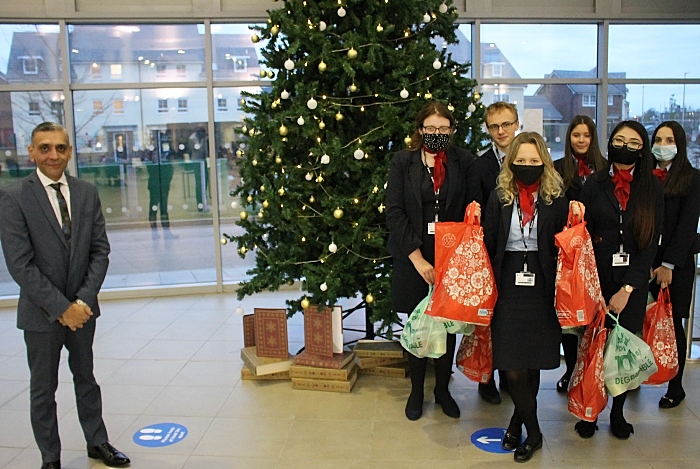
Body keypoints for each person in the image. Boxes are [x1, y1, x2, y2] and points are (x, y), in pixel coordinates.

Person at [0, 122, 130, 469]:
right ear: (32, 152)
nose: (53, 155)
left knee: (86, 378)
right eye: (44, 148)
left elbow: (100, 251)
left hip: (83, 311)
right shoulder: (14, 197)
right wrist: (62, 308)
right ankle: (51, 458)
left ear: (70, 151)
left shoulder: (86, 192)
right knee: (43, 389)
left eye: (60, 148)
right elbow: (20, 264)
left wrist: (82, 303)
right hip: (42, 315)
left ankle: (97, 441)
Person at [482, 131, 568, 462]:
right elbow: (490, 242)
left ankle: (519, 424)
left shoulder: (556, 198)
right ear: (511, 161)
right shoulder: (500, 196)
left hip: (542, 284)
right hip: (508, 281)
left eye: (534, 161)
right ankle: (535, 433)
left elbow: (562, 244)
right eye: (521, 160)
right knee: (510, 364)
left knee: (532, 364)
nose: (527, 166)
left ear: (544, 162)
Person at [576, 120, 664, 440]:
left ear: (642, 150)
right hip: (597, 279)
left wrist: (628, 288)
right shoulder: (594, 182)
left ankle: (617, 411)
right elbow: (583, 232)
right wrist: (593, 286)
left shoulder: (652, 187)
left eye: (633, 142)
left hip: (633, 284)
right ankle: (590, 412)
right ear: (610, 142)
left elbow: (651, 241)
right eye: (619, 140)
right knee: (595, 348)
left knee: (622, 351)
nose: (624, 146)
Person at [386, 102, 473, 421]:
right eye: (431, 128)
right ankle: (417, 390)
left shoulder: (463, 161)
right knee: (416, 325)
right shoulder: (402, 161)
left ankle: (442, 390)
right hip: (412, 256)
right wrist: (418, 259)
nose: (437, 134)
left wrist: (459, 253)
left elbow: (471, 204)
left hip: (452, 257)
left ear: (451, 130)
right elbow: (394, 211)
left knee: (447, 325)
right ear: (420, 129)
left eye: (443, 129)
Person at [466, 100, 520, 404]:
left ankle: (508, 373)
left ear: (517, 124)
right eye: (495, 126)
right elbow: (476, 206)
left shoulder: (530, 157)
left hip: (521, 252)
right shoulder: (481, 165)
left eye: (506, 124)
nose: (501, 131)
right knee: (486, 318)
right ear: (488, 129)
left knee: (511, 317)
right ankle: (485, 378)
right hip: (489, 251)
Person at [552, 115, 607, 393]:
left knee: (596, 318)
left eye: (586, 135)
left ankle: (596, 372)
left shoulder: (605, 169)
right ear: (569, 138)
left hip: (599, 253)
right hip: (570, 254)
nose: (581, 140)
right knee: (571, 319)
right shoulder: (558, 168)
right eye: (576, 135)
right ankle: (571, 370)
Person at [649, 121, 700, 409]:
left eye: (669, 139)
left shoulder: (692, 179)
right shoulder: (647, 177)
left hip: (676, 264)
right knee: (645, 320)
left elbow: (687, 226)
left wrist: (668, 264)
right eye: (658, 138)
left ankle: (675, 385)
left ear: (679, 143)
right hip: (647, 262)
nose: (663, 144)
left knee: (673, 323)